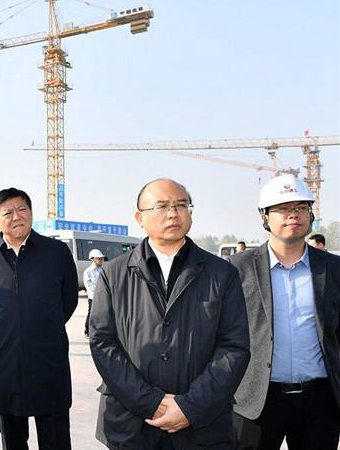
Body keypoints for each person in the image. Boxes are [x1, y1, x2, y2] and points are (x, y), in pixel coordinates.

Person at [89, 178, 250, 449]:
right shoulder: (113, 274)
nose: (173, 213)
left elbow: (233, 347)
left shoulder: (222, 274)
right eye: (162, 206)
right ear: (140, 218)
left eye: (181, 205)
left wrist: (190, 407)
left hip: (202, 426)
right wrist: (151, 402)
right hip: (132, 426)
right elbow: (103, 344)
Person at [230, 174, 340, 449]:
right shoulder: (236, 269)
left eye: (301, 207)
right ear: (264, 217)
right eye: (283, 209)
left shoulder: (333, 268)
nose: (294, 215)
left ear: (310, 215)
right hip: (255, 401)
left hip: (320, 401)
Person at [0, 187, 78, 450]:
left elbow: (68, 301)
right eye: (8, 212)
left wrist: (40, 326)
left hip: (49, 364)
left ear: (31, 212)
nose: (16, 216)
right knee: (13, 442)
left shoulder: (56, 252)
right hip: (4, 367)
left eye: (22, 209)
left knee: (56, 441)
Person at [83, 248, 105, 338]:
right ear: (92, 259)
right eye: (99, 258)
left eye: (102, 258)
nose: (101, 260)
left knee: (102, 314)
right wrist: (98, 292)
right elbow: (89, 286)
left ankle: (99, 330)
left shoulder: (102, 270)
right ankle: (87, 330)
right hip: (93, 297)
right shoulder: (88, 271)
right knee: (92, 314)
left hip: (103, 296)